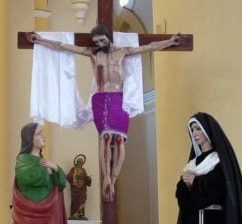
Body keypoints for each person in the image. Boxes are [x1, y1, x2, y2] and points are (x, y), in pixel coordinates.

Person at [28, 26, 181, 202]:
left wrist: (169, 41)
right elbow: (63, 46)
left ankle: (113, 180)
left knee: (119, 139)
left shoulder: (123, 52)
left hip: (118, 99)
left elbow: (150, 47)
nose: (100, 44)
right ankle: (106, 177)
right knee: (106, 138)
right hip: (100, 99)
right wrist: (40, 40)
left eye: (102, 40)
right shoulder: (93, 54)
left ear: (108, 37)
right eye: (97, 42)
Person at [66, 154, 92, 219]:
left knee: (82, 200)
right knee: (75, 201)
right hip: (75, 188)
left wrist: (88, 179)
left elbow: (86, 179)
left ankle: (81, 214)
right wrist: (74, 178)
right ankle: (74, 214)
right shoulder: (73, 169)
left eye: (82, 162)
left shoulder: (83, 170)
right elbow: (69, 177)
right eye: (79, 162)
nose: (81, 163)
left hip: (82, 188)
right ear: (77, 162)